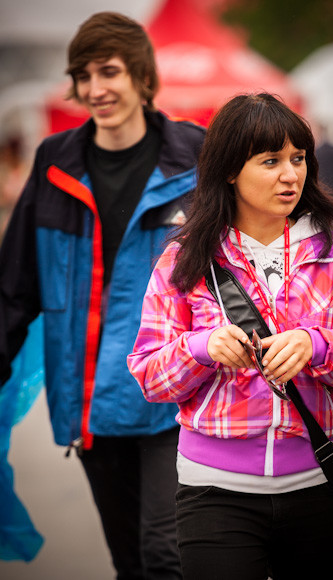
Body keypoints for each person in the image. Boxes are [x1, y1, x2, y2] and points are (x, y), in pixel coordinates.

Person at [127, 93, 333, 580]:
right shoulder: (184, 261)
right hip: (213, 495)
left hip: (320, 484)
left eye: (298, 158)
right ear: (229, 169)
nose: (291, 175)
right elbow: (149, 376)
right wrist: (200, 349)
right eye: (270, 161)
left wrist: (318, 345)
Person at [0, 11, 205, 580]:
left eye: (108, 72)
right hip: (91, 400)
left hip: (178, 395)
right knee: (130, 561)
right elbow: (14, 288)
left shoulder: (197, 156)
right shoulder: (54, 162)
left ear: (141, 76)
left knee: (167, 554)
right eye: (82, 75)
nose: (94, 89)